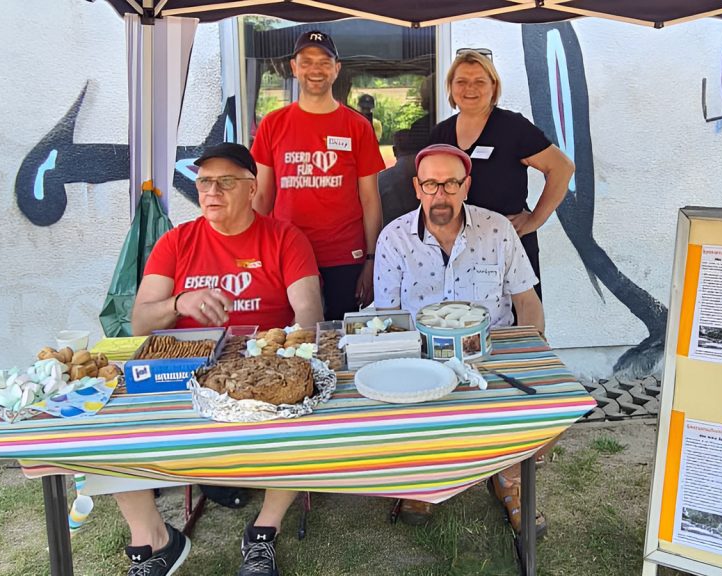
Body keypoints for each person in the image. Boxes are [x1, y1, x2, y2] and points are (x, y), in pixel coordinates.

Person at [124, 142, 323, 576]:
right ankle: (153, 539)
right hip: (183, 368)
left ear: (252, 188)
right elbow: (139, 322)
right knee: (118, 423)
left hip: (261, 370)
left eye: (225, 182)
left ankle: (263, 532)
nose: (211, 191)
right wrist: (180, 301)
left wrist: (283, 353)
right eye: (204, 182)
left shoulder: (284, 237)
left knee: (297, 412)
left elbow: (309, 313)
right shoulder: (177, 242)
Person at [373, 144, 548, 535]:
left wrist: (535, 351)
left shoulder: (498, 230)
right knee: (403, 396)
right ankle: (423, 478)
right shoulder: (394, 239)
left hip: (491, 350)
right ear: (417, 188)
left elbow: (527, 302)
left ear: (466, 185)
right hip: (422, 358)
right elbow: (389, 319)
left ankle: (509, 481)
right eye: (431, 184)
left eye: (451, 184)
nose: (441, 195)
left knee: (541, 402)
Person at [251, 30, 386, 320]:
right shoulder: (273, 124)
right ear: (294, 67)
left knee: (340, 340)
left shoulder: (357, 126)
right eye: (307, 61)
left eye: (325, 62)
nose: (316, 69)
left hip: (344, 256)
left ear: (337, 70)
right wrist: (250, 250)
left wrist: (372, 259)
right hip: (285, 254)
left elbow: (370, 199)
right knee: (291, 340)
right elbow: (262, 196)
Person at [429, 49, 574, 299]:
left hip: (507, 247)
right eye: (461, 81)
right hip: (457, 248)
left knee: (517, 323)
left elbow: (562, 167)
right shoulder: (440, 134)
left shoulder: (512, 127)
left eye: (479, 81)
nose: (469, 88)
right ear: (450, 87)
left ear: (493, 87)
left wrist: (535, 219)